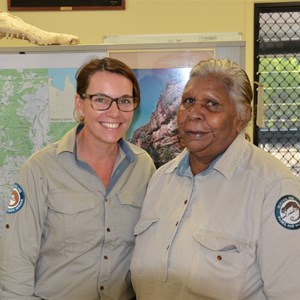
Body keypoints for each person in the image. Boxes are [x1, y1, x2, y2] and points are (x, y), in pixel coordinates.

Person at [130, 58, 300, 300]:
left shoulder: (272, 188)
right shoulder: (161, 180)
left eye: (212, 104)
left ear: (241, 117)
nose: (194, 114)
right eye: (188, 101)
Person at [0, 57, 156, 300]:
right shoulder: (41, 168)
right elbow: (16, 258)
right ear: (80, 105)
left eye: (124, 101)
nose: (114, 112)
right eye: (101, 100)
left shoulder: (143, 166)